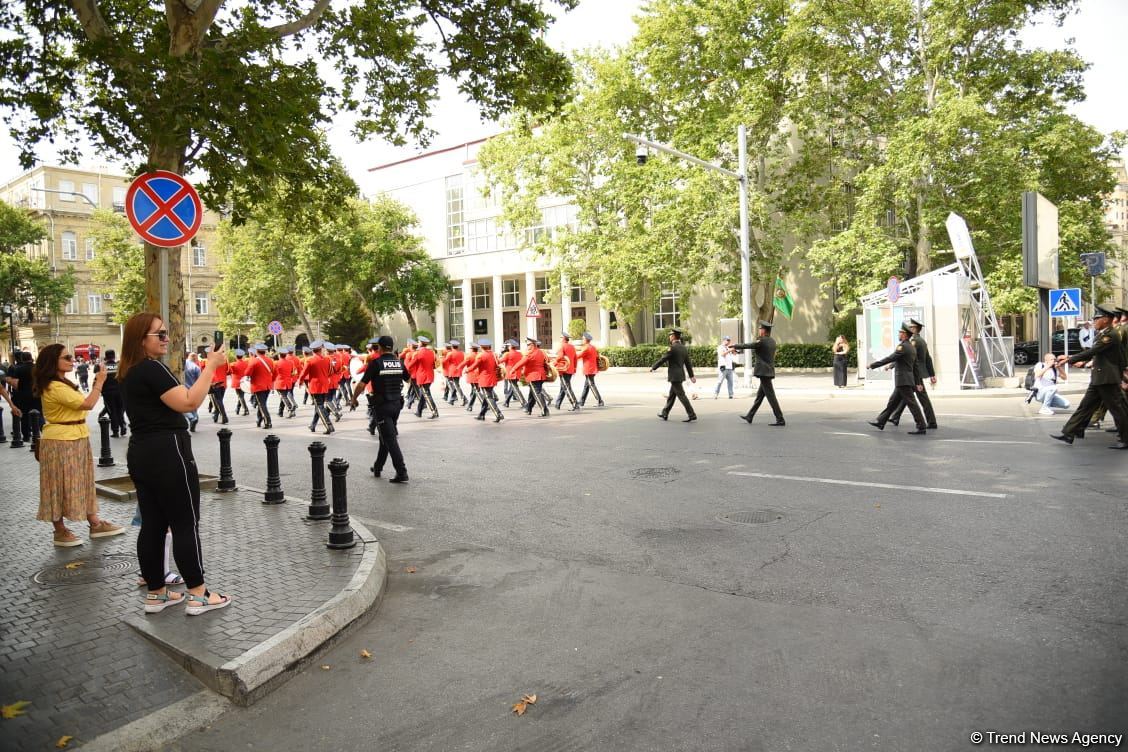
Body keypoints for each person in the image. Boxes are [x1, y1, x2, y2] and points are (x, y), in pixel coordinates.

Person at [118, 312, 232, 615]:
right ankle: (199, 593)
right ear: (142, 339)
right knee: (185, 522)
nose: (167, 338)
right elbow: (189, 402)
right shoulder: (152, 368)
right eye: (161, 334)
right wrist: (212, 367)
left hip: (141, 451)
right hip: (169, 451)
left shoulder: (128, 371)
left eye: (166, 332)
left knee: (153, 524)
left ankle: (156, 593)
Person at [33, 344, 125, 547]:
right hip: (61, 440)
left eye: (71, 356)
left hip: (76, 437)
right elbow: (87, 404)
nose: (71, 360)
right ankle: (60, 530)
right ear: (52, 362)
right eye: (66, 357)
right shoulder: (53, 386)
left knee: (82, 481)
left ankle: (95, 523)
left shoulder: (62, 382)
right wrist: (99, 382)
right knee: (57, 485)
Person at [1052, 305, 1127, 449]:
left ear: (1105, 320)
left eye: (1096, 319)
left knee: (1118, 410)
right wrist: (1084, 363)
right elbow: (1100, 355)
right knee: (1085, 407)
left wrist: (1069, 358)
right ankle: (1070, 432)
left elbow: (1094, 350)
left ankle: (1125, 439)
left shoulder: (1110, 335)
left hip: (1107, 379)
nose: (1094, 321)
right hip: (1100, 377)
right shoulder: (1103, 333)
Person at [351, 335, 410, 483]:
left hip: (382, 406)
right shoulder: (398, 363)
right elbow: (408, 379)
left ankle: (401, 472)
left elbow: (362, 384)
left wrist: (354, 398)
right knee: (385, 436)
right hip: (397, 404)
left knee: (390, 439)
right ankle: (378, 466)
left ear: (380, 347)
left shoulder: (376, 363)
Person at [867, 324, 927, 434]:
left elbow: (890, 358)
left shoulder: (903, 347)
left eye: (900, 332)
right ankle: (881, 421)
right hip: (906, 380)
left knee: (912, 404)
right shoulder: (911, 347)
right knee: (892, 403)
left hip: (903, 380)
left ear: (904, 334)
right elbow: (916, 367)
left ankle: (921, 426)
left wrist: (873, 365)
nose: (898, 334)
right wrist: (918, 382)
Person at [888, 318, 938, 429]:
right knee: (906, 396)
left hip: (914, 374)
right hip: (916, 373)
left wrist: (891, 365)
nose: (909, 329)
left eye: (911, 327)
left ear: (915, 329)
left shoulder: (914, 342)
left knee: (919, 398)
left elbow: (907, 357)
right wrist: (931, 374)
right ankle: (895, 416)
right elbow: (928, 359)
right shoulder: (922, 341)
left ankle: (931, 422)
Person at [734, 321, 785, 426]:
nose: (759, 330)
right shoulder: (772, 341)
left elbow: (749, 345)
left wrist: (735, 346)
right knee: (759, 397)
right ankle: (750, 416)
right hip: (768, 371)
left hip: (764, 372)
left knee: (771, 397)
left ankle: (780, 419)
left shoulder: (761, 341)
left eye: (760, 329)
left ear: (763, 331)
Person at [651, 327, 697, 422]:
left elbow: (663, 359)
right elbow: (688, 363)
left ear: (673, 336)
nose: (669, 337)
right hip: (680, 375)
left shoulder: (673, 348)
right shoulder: (683, 348)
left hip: (674, 376)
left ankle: (692, 414)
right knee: (672, 395)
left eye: (670, 335)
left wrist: (653, 367)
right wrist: (691, 375)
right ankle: (665, 413)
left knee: (681, 395)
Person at [300, 341, 335, 435]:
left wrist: (300, 381)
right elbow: (330, 372)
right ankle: (313, 425)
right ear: (321, 349)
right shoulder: (327, 359)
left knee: (319, 406)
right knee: (318, 406)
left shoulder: (310, 360)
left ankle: (329, 425)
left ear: (313, 350)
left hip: (315, 386)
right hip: (325, 385)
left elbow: (304, 373)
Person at [511, 337, 551, 417]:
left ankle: (545, 410)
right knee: (532, 394)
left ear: (533, 345)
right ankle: (528, 408)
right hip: (540, 375)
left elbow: (521, 362)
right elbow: (547, 360)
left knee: (537, 393)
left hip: (533, 376)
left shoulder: (530, 353)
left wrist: (513, 369)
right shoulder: (541, 352)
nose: (527, 346)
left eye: (528, 344)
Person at [94, 349, 127, 437]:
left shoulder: (101, 367)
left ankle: (115, 431)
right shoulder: (119, 365)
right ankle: (123, 426)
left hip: (108, 393)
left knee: (112, 411)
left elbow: (97, 379)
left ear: (106, 356)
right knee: (120, 410)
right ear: (114, 356)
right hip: (120, 392)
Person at [473, 338, 504, 422]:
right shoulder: (494, 354)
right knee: (486, 397)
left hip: (484, 379)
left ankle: (498, 413)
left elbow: (475, 366)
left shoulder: (481, 355)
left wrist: (467, 370)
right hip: (492, 378)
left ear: (481, 347)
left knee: (488, 397)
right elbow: (497, 363)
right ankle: (481, 415)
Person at [246, 343, 274, 429]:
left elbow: (247, 373)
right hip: (267, 386)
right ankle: (259, 420)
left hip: (258, 386)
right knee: (262, 403)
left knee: (261, 404)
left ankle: (268, 422)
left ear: (257, 351)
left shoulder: (254, 361)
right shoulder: (270, 360)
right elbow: (274, 372)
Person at [412, 336, 439, 419]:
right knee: (424, 394)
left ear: (421, 343)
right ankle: (419, 411)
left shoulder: (418, 353)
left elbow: (411, 364)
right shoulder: (431, 352)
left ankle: (434, 411)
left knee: (426, 394)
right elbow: (435, 365)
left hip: (422, 377)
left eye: (418, 342)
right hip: (430, 375)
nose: (418, 343)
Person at [576, 332, 605, 407]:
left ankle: (600, 401)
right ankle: (582, 401)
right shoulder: (593, 347)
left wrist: (571, 355)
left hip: (589, 369)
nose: (582, 340)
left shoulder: (586, 348)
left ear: (586, 339)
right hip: (593, 369)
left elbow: (578, 356)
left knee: (591, 385)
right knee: (587, 386)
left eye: (583, 338)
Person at [553, 332, 580, 410]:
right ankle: (557, 404)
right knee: (563, 387)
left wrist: (553, 364)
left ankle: (575, 404)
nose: (560, 339)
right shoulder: (572, 347)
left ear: (563, 338)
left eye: (561, 338)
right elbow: (575, 358)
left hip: (563, 369)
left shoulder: (562, 346)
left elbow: (560, 356)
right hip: (570, 369)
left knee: (566, 387)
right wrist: (574, 368)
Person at [183, 352, 201, 431]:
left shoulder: (183, 363)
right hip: (193, 390)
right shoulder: (196, 368)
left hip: (183, 389)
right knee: (193, 407)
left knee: (183, 407)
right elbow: (199, 381)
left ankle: (191, 418)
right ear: (195, 358)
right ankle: (194, 418)